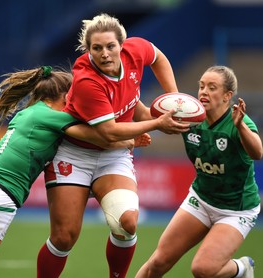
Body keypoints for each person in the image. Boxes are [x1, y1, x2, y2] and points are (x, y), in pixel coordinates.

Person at [0, 65, 155, 278]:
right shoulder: (54, 116)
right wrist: (133, 138)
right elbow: (100, 136)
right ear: (63, 96)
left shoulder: (29, 112)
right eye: (73, 97)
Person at [36, 13, 190, 278]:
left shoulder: (136, 50)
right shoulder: (86, 80)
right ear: (88, 50)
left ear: (122, 44)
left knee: (127, 223)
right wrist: (157, 123)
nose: (105, 53)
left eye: (110, 46)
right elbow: (108, 132)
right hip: (74, 155)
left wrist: (173, 99)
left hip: (113, 156)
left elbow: (159, 58)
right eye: (97, 48)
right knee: (63, 238)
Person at [135, 65, 263, 278]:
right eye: (201, 86)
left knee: (202, 270)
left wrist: (241, 127)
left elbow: (258, 152)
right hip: (201, 200)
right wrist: (128, 93)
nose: (204, 91)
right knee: (158, 262)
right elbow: (146, 115)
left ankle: (243, 268)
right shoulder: (190, 116)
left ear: (227, 96)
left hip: (235, 210)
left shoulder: (237, 121)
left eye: (212, 87)